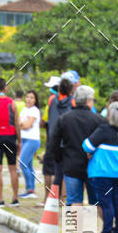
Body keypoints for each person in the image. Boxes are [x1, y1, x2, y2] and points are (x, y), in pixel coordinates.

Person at [83, 101, 118, 233]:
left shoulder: (104, 130)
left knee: (106, 203)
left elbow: (87, 145)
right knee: (117, 202)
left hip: (103, 173)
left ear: (109, 114)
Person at [49, 85, 104, 206]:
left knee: (74, 201)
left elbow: (53, 142)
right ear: (88, 101)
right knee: (94, 203)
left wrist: (60, 158)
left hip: (71, 164)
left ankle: (74, 225)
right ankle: (90, 225)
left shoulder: (64, 119)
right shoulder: (98, 120)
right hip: (93, 166)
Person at [42, 76, 73, 205]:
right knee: (66, 172)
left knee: (57, 171)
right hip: (67, 141)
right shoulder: (72, 102)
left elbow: (47, 120)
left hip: (54, 140)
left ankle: (52, 199)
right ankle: (62, 198)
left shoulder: (52, 101)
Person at [0, 78, 21, 207]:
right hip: (10, 137)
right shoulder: (12, 103)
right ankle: (15, 198)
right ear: (5, 88)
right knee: (12, 168)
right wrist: (19, 140)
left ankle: (0, 199)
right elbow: (17, 124)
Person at [18, 90, 41, 199]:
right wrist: (23, 124)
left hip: (32, 140)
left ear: (35, 100)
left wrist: (22, 124)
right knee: (30, 166)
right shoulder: (24, 110)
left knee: (22, 163)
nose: (29, 99)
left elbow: (27, 125)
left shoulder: (35, 110)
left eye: (32, 97)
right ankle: (32, 191)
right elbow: (20, 124)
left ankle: (29, 189)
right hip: (24, 139)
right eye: (27, 97)